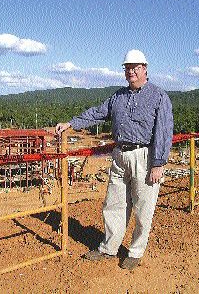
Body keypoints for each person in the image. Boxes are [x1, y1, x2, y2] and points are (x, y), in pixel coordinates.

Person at [55, 49, 173, 270]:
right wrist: (72, 123)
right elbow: (97, 113)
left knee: (143, 208)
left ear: (145, 69)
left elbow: (165, 131)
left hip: (144, 156)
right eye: (127, 68)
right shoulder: (118, 97)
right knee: (114, 204)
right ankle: (109, 247)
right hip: (119, 155)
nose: (131, 72)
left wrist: (159, 163)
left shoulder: (158, 96)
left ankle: (135, 251)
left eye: (135, 68)